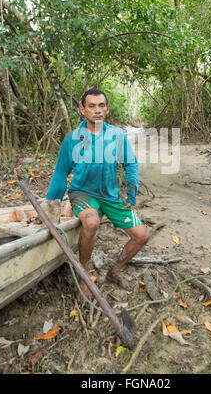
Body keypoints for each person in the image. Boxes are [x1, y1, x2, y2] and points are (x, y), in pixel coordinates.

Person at [45, 88, 149, 301]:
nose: (97, 110)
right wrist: (51, 204)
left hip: (111, 196)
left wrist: (131, 196)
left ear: (107, 109)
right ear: (83, 110)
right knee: (91, 223)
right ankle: (83, 274)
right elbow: (60, 173)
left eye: (101, 106)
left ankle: (114, 271)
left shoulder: (117, 135)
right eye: (91, 106)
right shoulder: (72, 139)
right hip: (82, 193)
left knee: (142, 235)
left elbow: (130, 165)